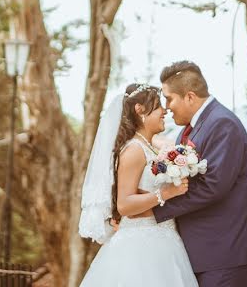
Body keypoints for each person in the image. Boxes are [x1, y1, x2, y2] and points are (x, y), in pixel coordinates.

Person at [153, 60, 247, 286]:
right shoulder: (184, 134)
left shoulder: (222, 124)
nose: (167, 107)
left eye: (169, 98)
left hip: (227, 251)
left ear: (189, 96)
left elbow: (213, 187)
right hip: (204, 252)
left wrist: (155, 208)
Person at [79, 83, 198, 286]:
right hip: (141, 246)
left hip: (165, 241)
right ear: (140, 110)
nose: (164, 111)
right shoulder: (134, 150)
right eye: (159, 106)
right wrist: (166, 193)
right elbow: (124, 205)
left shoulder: (149, 148)